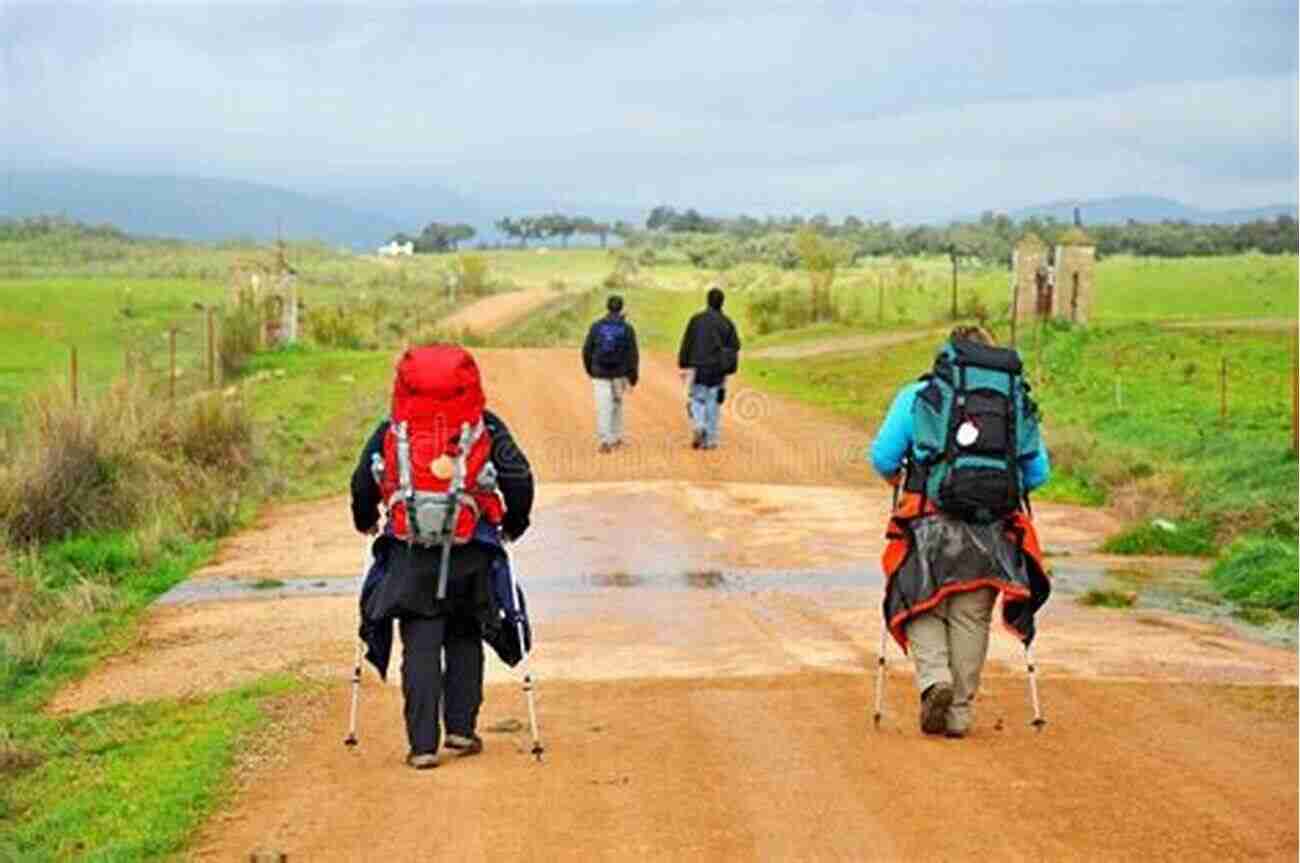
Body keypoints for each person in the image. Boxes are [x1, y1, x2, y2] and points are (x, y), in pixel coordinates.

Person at [350, 345, 534, 769]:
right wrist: (514, 523)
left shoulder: (392, 429)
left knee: (419, 641)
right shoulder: (485, 427)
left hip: (410, 555)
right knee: (466, 632)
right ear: (470, 383)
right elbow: (519, 476)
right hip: (471, 553)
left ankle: (422, 746)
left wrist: (366, 519)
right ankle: (460, 729)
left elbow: (363, 481)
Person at [869, 326, 1051, 738]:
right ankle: (960, 714)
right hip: (991, 528)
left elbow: (882, 456)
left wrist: (900, 479)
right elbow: (1038, 471)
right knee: (971, 616)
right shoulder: (1013, 397)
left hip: (928, 522)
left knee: (919, 601)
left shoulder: (919, 395)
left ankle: (935, 681)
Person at [677, 286, 741, 450]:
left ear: (708, 301)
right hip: (718, 370)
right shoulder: (727, 323)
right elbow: (735, 346)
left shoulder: (696, 320)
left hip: (699, 367)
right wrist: (729, 367)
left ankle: (699, 425)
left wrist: (683, 362)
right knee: (713, 402)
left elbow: (687, 342)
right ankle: (711, 440)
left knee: (697, 398)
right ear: (722, 303)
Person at [582, 294, 639, 453]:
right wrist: (632, 375)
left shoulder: (596, 326)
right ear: (621, 308)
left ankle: (604, 440)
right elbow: (633, 354)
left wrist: (590, 369)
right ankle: (616, 436)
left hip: (599, 372)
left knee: (603, 406)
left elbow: (587, 350)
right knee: (617, 404)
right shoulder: (627, 329)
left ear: (607, 307)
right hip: (619, 373)